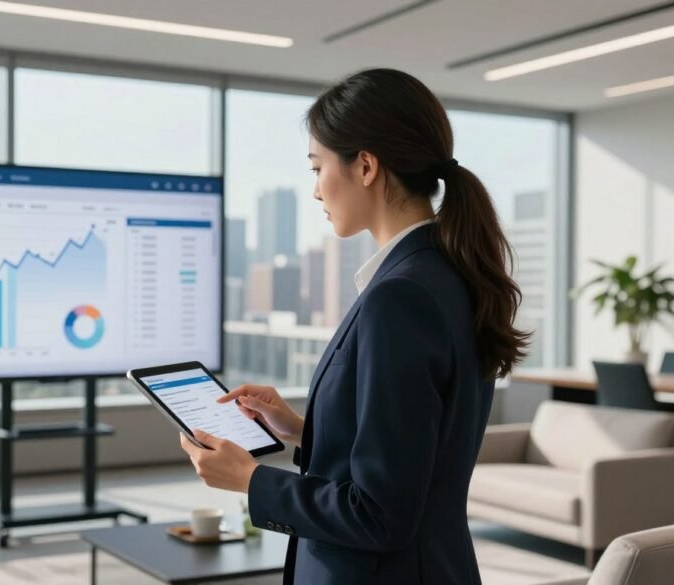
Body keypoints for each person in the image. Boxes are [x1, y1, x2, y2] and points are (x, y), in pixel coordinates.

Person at [179, 68, 529, 585]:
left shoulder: (400, 296)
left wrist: (251, 480)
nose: (316, 190)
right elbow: (417, 454)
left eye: (317, 166)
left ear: (365, 165)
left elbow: (379, 513)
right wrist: (301, 430)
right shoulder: (446, 273)